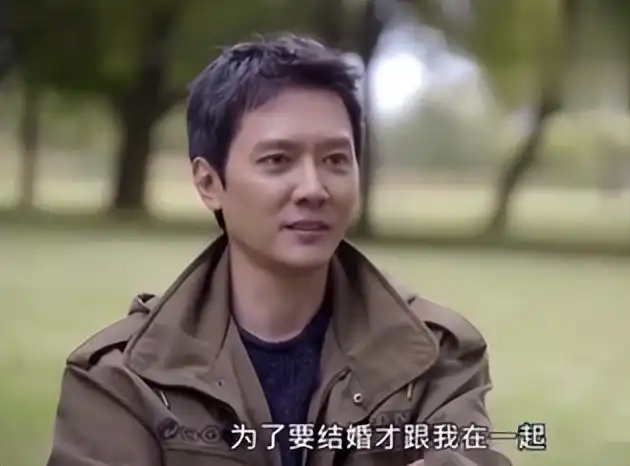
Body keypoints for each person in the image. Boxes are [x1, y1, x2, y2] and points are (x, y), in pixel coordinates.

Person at [46, 33, 511, 466]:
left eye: (335, 160)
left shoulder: (433, 353)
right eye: (277, 161)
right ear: (208, 183)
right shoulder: (125, 377)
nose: (313, 189)